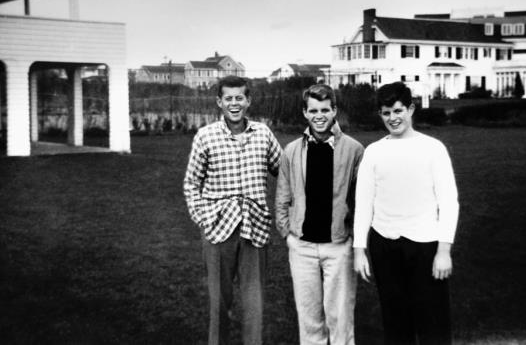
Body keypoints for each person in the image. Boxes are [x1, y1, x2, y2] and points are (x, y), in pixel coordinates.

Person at [353, 82, 459, 345]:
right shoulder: (374, 152)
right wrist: (359, 250)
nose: (393, 118)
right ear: (380, 114)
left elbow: (449, 201)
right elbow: (364, 202)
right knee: (395, 320)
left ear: (411, 109)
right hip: (384, 245)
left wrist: (444, 250)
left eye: (398, 110)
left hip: (425, 245)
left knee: (433, 321)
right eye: (386, 113)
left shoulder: (433, 148)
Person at [183, 75, 282, 345]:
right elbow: (191, 182)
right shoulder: (206, 136)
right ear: (219, 102)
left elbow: (284, 173)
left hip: (255, 229)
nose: (234, 103)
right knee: (219, 302)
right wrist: (202, 217)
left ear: (248, 100)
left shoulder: (263, 134)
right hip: (218, 231)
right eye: (229, 98)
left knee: (254, 304)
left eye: (240, 98)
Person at [276, 83, 364, 345]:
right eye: (313, 110)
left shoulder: (354, 149)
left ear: (334, 110)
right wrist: (287, 234)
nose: (319, 116)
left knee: (340, 318)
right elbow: (283, 195)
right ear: (305, 112)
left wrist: (353, 240)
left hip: (338, 247)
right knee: (310, 320)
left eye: (325, 109)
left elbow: (361, 201)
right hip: (302, 247)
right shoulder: (292, 151)